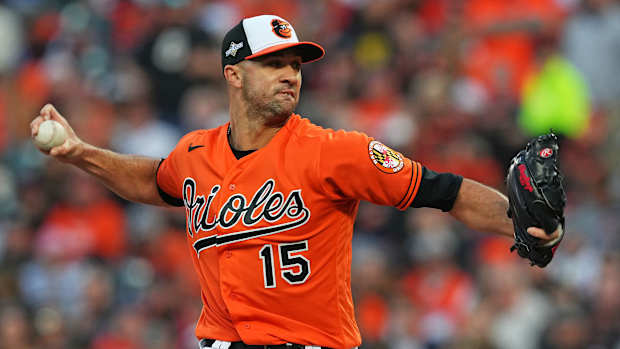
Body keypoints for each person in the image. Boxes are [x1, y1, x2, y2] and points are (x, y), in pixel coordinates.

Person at [30, 14, 560, 349]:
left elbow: (444, 191)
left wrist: (525, 224)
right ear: (233, 74)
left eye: (296, 65)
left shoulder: (334, 151)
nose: (290, 74)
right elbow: (153, 180)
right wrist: (81, 155)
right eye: (273, 63)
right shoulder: (195, 153)